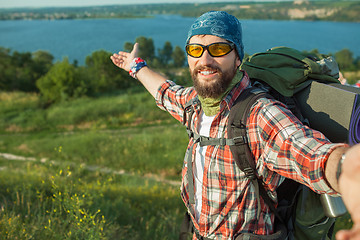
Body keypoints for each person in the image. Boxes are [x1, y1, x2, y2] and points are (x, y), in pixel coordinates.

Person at [111, 11, 360, 240]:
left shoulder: (259, 115)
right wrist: (136, 66)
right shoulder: (195, 105)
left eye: (218, 48)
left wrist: (349, 169)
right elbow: (166, 92)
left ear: (237, 56)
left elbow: (313, 155)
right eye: (195, 50)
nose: (205, 59)